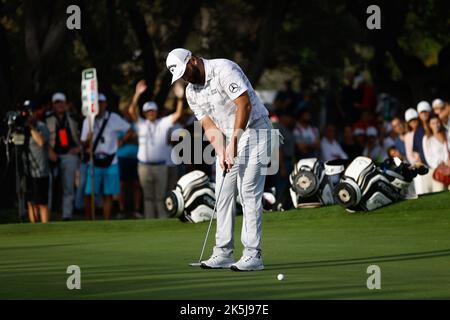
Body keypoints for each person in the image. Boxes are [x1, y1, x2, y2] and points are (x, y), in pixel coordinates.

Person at [166, 48, 273, 271]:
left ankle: (253, 255)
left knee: (248, 189)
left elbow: (244, 104)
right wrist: (222, 151)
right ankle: (223, 252)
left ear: (193, 60)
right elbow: (208, 124)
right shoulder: (191, 92)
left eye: (186, 72)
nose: (186, 78)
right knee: (223, 191)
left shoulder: (224, 69)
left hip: (256, 129)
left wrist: (233, 143)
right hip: (228, 137)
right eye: (181, 76)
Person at [128, 80, 183, 219]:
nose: (151, 113)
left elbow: (178, 114)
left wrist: (180, 98)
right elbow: (131, 111)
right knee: (148, 197)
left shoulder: (163, 123)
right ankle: (149, 222)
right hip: (144, 167)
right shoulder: (141, 124)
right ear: (145, 113)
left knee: (160, 197)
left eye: (152, 111)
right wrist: (136, 95)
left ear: (156, 112)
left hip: (160, 166)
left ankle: (162, 222)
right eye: (148, 111)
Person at [81, 93, 132, 220]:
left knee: (108, 194)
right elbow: (83, 142)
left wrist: (122, 141)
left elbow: (130, 130)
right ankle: (89, 221)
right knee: (89, 193)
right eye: (97, 102)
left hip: (111, 161)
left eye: (102, 102)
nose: (100, 105)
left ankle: (106, 221)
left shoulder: (113, 117)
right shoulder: (88, 120)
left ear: (106, 104)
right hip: (94, 161)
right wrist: (89, 138)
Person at [46, 92, 81, 221]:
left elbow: (81, 137)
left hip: (68, 155)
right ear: (53, 105)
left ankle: (67, 215)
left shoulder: (73, 118)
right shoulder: (47, 119)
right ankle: (46, 215)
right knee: (48, 185)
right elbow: (43, 139)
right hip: (51, 156)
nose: (60, 105)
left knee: (68, 187)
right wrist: (49, 151)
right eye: (57, 102)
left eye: (62, 102)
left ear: (66, 104)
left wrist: (78, 148)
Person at [22, 101, 51, 223]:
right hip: (27, 170)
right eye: (27, 112)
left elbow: (40, 141)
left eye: (31, 112)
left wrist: (30, 127)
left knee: (41, 204)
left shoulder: (41, 126)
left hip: (40, 171)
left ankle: (45, 230)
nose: (29, 114)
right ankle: (34, 229)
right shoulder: (21, 128)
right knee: (30, 203)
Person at [117, 107, 142, 219]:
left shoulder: (139, 124)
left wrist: (131, 136)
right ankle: (122, 210)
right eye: (126, 112)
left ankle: (136, 209)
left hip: (137, 158)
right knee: (122, 185)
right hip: (122, 158)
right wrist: (129, 135)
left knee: (136, 184)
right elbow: (119, 143)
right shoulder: (120, 124)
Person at [422, 115, 449, 192]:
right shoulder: (427, 139)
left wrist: (447, 162)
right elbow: (428, 158)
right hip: (437, 171)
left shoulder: (446, 134)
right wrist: (440, 164)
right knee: (440, 193)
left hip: (449, 167)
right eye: (433, 123)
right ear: (429, 125)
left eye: (437, 122)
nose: (436, 125)